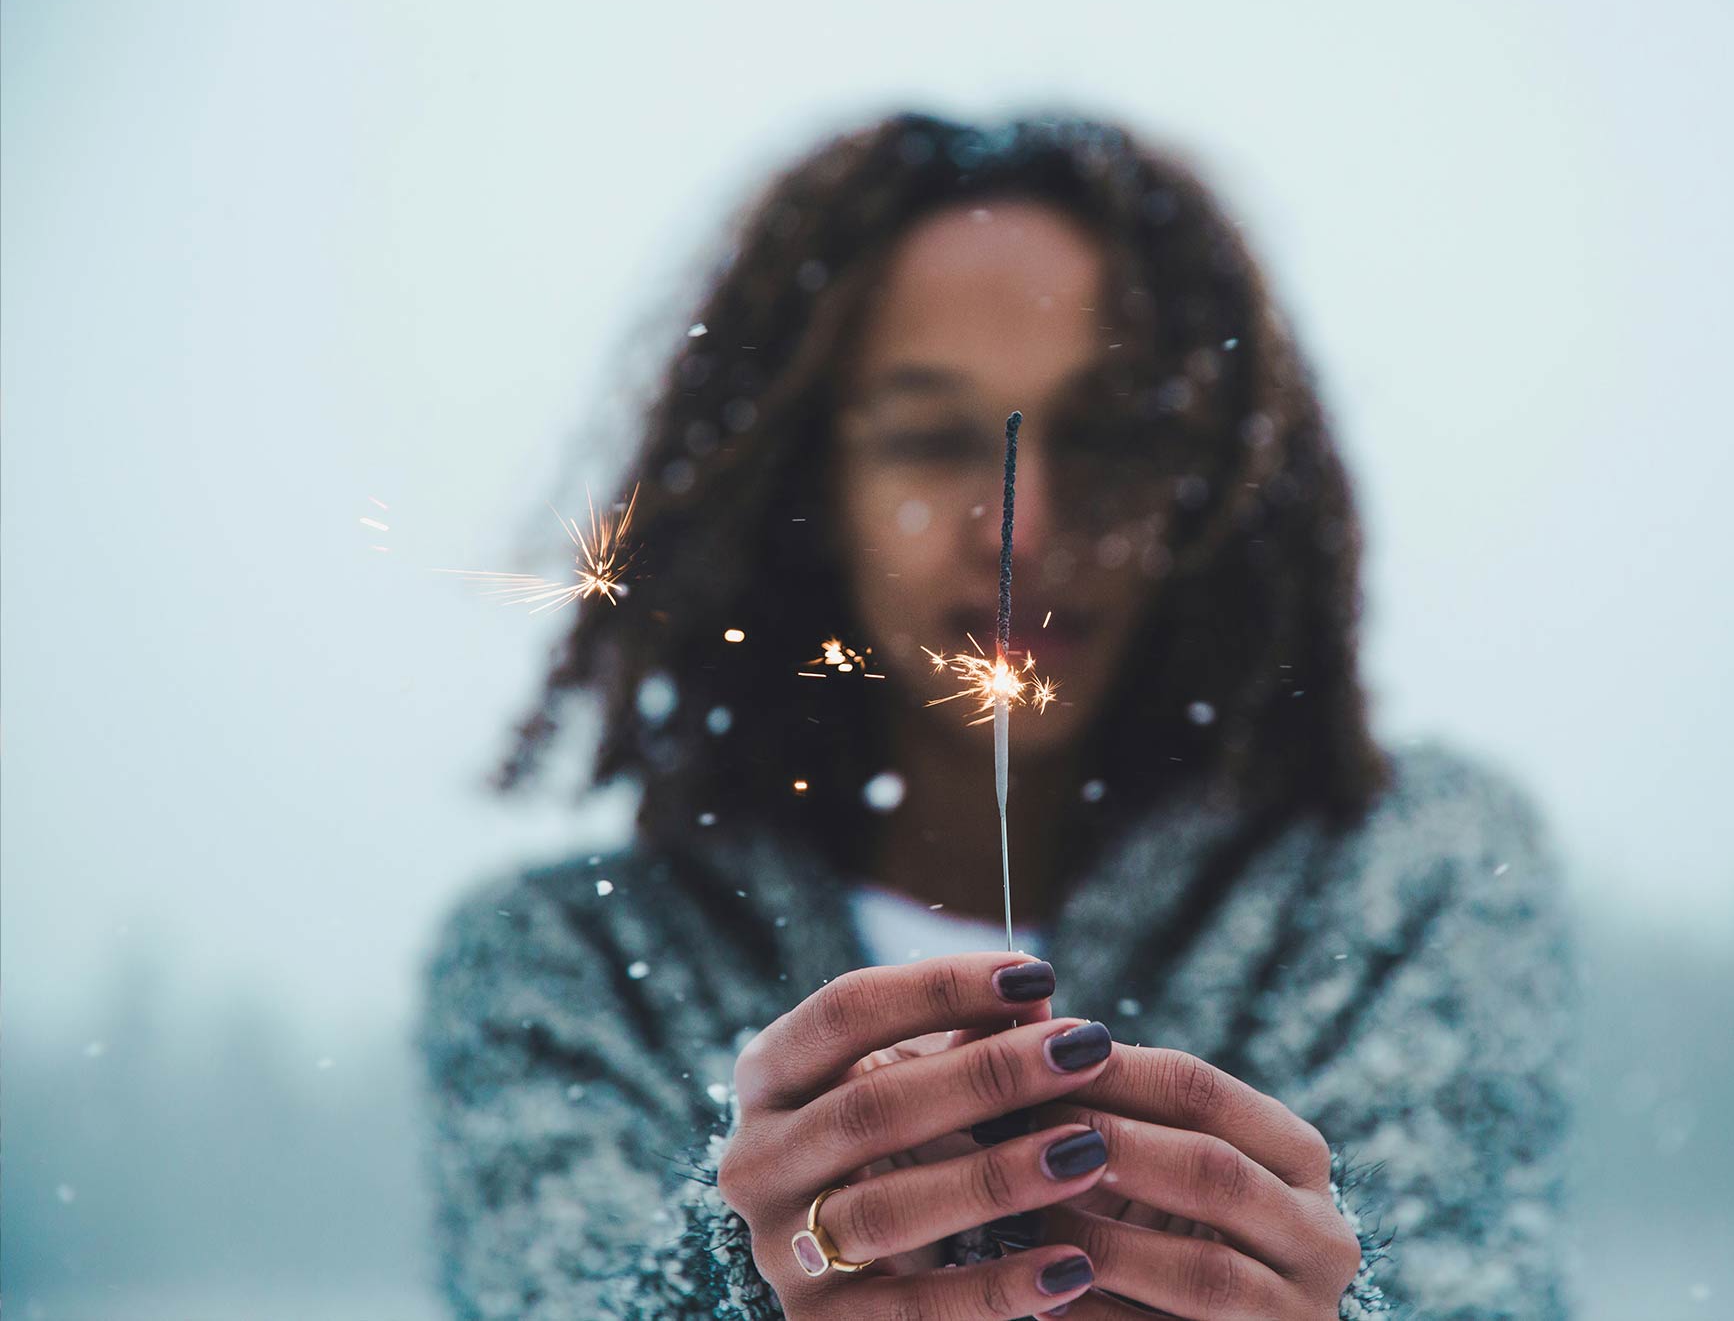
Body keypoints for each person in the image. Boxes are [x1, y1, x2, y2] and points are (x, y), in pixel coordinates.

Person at [417, 110, 1575, 1320]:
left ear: (1216, 482)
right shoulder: (572, 967)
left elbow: (1477, 1285)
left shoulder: (1406, 875)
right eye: (929, 439)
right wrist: (725, 1292)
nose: (1020, 532)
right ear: (805, 487)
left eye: (1107, 436)